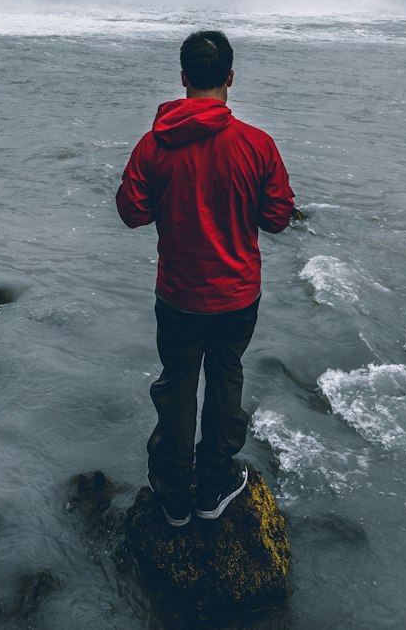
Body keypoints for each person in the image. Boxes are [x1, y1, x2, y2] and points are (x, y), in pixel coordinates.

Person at [116, 29, 294, 527]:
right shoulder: (258, 145)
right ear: (231, 78)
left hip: (177, 295)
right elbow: (279, 217)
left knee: (176, 386)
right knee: (225, 379)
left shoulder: (153, 145)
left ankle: (173, 495)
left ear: (183, 78)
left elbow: (131, 213)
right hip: (237, 294)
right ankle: (214, 487)